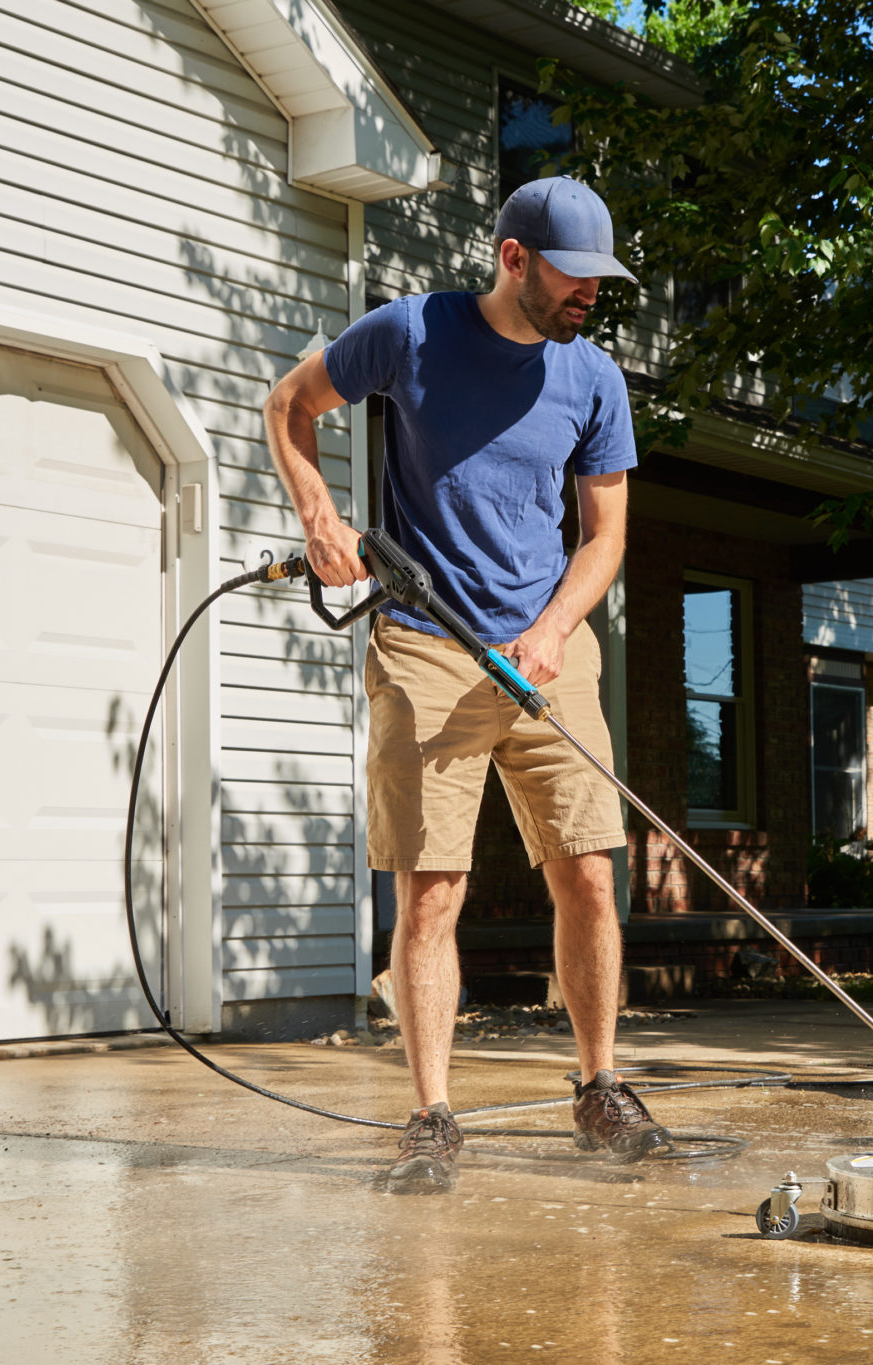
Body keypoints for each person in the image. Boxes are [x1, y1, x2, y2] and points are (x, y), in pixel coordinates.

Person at [261, 176, 671, 1194]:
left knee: (587, 870)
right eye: (573, 277)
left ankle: (598, 1084)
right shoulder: (408, 334)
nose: (589, 297)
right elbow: (288, 406)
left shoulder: (594, 378)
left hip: (547, 648)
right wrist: (320, 516)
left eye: (598, 282)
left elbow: (604, 535)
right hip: (424, 645)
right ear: (512, 257)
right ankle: (432, 1115)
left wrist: (551, 631)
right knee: (431, 886)